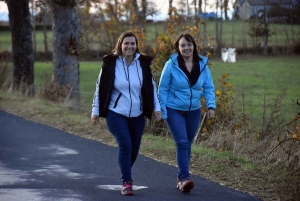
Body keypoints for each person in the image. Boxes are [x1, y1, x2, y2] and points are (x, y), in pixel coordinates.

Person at [91, 31, 162, 196]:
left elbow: (151, 88)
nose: (129, 46)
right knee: (126, 145)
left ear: (136, 46)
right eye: (126, 43)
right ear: (120, 45)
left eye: (132, 43)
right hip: (115, 112)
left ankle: (124, 168)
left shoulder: (142, 64)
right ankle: (127, 182)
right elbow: (99, 88)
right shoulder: (111, 64)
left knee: (134, 148)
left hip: (137, 114)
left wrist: (157, 108)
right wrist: (95, 110)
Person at [158, 33, 216, 193]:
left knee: (188, 144)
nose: (186, 48)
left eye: (189, 45)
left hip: (194, 110)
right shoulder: (171, 64)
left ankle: (180, 178)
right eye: (183, 45)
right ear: (178, 47)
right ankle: (184, 177)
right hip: (173, 108)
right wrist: (162, 110)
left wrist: (211, 106)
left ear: (194, 46)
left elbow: (209, 88)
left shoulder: (203, 64)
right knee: (182, 142)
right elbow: (162, 89)